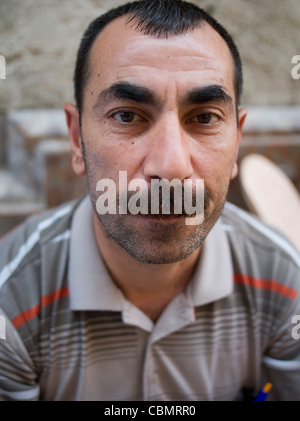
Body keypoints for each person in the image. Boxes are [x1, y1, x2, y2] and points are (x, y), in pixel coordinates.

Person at [0, 0, 300, 402]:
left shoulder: (282, 283)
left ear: (237, 141)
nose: (172, 167)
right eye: (127, 115)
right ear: (76, 139)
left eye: (205, 117)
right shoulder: (11, 305)